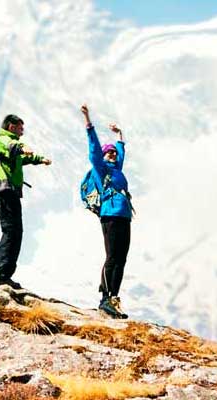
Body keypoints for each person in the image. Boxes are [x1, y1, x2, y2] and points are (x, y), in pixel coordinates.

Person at [81, 104, 133, 319]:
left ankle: (114, 298)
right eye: (108, 152)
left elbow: (121, 151)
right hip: (109, 215)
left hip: (124, 216)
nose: (112, 154)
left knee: (122, 258)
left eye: (113, 152)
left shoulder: (117, 169)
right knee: (112, 257)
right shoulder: (100, 169)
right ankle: (105, 299)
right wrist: (88, 121)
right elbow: (94, 150)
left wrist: (120, 135)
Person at [0, 114, 52, 289]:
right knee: (11, 231)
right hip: (3, 190)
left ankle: (5, 275)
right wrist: (23, 147)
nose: (22, 131)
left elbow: (22, 158)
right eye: (20, 128)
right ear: (11, 126)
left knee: (16, 232)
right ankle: (0, 276)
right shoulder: (1, 140)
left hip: (11, 192)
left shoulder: (10, 145)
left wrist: (40, 159)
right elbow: (12, 147)